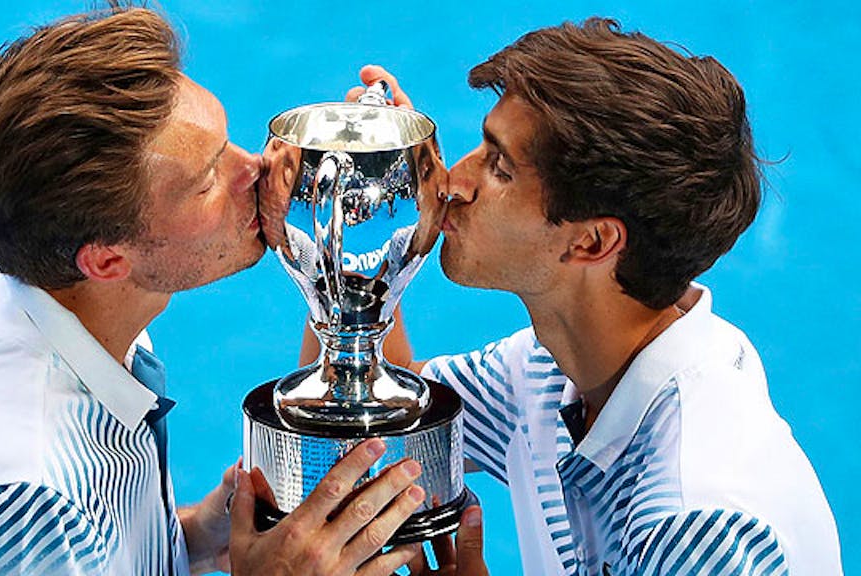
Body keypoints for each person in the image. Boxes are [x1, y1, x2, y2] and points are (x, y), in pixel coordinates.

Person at [0, 6, 429, 575]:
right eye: (207, 179)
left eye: (227, 142)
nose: (254, 168)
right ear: (108, 258)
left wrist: (197, 534)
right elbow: (52, 538)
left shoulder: (8, 283)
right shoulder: (25, 500)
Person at [333, 18, 844, 575]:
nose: (454, 182)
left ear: (593, 240)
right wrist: (370, 212)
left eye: (499, 167)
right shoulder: (545, 374)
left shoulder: (694, 525)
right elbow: (366, 428)